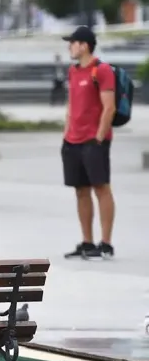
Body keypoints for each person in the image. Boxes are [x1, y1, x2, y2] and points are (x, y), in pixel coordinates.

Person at [60, 26, 116, 260]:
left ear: (84, 45)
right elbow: (71, 106)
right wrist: (66, 134)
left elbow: (109, 107)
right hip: (72, 141)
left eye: (72, 43)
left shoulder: (101, 70)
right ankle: (87, 242)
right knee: (80, 191)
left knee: (101, 188)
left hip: (94, 141)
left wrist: (99, 137)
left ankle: (105, 243)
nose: (69, 47)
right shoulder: (73, 71)